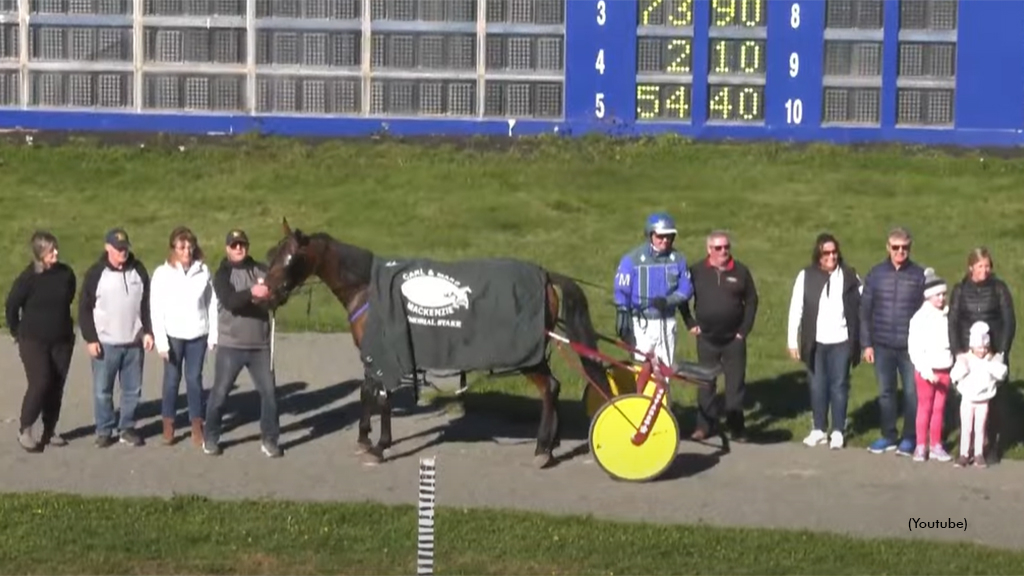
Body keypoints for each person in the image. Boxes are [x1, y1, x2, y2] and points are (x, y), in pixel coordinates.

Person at [202, 229, 282, 458]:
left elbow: (278, 294)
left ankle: (270, 439)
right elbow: (230, 301)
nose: (239, 248)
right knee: (220, 394)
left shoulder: (261, 270)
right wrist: (253, 293)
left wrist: (274, 296)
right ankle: (211, 437)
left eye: (242, 244)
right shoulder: (222, 274)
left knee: (269, 393)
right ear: (227, 248)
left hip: (261, 346)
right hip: (231, 347)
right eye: (234, 245)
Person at [79, 228, 154, 448]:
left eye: (125, 248)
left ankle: (127, 428)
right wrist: (91, 339)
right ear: (107, 248)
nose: (123, 252)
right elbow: (84, 309)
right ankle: (104, 430)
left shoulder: (138, 270)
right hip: (105, 344)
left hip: (134, 342)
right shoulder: (96, 273)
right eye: (118, 249)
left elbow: (146, 304)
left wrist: (148, 331)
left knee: (132, 390)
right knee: (103, 390)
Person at [681, 230, 758, 441]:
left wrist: (744, 331)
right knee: (705, 384)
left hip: (734, 339)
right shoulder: (696, 271)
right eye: (718, 248)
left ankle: (737, 428)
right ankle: (704, 427)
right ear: (709, 250)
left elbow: (752, 301)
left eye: (726, 247)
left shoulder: (741, 271)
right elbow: (681, 297)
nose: (723, 251)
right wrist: (690, 322)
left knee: (735, 386)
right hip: (706, 338)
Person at [786, 233, 861, 450]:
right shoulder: (806, 276)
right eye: (826, 253)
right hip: (816, 342)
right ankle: (818, 428)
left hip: (842, 341)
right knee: (817, 386)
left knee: (839, 385)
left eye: (834, 252)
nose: (831, 256)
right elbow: (796, 308)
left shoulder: (849, 275)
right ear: (818, 255)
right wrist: (793, 340)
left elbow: (864, 300)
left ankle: (838, 430)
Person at [4, 231, 77, 452]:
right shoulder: (28, 279)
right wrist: (17, 332)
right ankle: (25, 429)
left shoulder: (66, 274)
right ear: (39, 253)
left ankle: (50, 429)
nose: (55, 252)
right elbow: (11, 306)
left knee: (56, 384)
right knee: (41, 381)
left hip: (62, 339)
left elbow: (69, 296)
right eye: (50, 250)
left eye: (55, 248)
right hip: (33, 340)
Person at [860, 227, 925, 456]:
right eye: (895, 247)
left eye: (904, 248)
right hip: (882, 345)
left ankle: (909, 437)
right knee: (886, 393)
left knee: (911, 393)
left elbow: (926, 313)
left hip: (911, 348)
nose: (900, 252)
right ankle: (888, 436)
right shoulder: (876, 274)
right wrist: (866, 344)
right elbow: (865, 310)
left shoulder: (919, 275)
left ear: (910, 248)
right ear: (888, 248)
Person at [150, 226, 218, 447]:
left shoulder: (203, 271)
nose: (187, 251)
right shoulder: (162, 273)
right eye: (182, 247)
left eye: (190, 247)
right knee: (171, 380)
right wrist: (161, 341)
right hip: (173, 336)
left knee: (194, 380)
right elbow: (156, 308)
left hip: (198, 333)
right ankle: (169, 425)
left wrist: (213, 334)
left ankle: (197, 425)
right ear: (173, 249)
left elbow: (211, 304)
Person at [946, 247, 1015, 463]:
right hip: (968, 353)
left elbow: (1009, 321)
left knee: (994, 401)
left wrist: (1001, 352)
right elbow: (953, 321)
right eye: (979, 266)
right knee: (966, 400)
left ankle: (991, 445)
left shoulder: (999, 289)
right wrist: (958, 352)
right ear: (971, 268)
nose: (984, 271)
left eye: (987, 266)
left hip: (992, 352)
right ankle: (967, 447)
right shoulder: (960, 290)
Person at [612, 212, 693, 367]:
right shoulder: (632, 260)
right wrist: (622, 314)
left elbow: (686, 289)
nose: (665, 240)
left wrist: (668, 301)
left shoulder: (678, 259)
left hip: (667, 323)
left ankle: (663, 392)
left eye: (668, 236)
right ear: (650, 235)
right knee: (642, 367)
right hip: (642, 324)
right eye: (660, 236)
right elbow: (622, 290)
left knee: (666, 370)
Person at [907, 268, 954, 462]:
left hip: (944, 368)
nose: (942, 299)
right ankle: (920, 445)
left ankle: (936, 444)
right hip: (927, 371)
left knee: (939, 409)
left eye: (944, 294)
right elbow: (915, 349)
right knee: (924, 407)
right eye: (937, 295)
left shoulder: (947, 316)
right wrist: (927, 371)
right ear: (928, 296)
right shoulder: (920, 318)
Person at [950, 321, 1007, 468]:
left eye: (984, 347)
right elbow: (954, 375)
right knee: (966, 427)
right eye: (979, 347)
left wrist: (990, 364)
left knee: (980, 428)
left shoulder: (991, 360)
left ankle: (978, 454)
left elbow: (1001, 373)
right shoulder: (965, 359)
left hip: (983, 400)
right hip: (968, 400)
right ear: (972, 346)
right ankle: (964, 453)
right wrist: (963, 368)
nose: (982, 351)